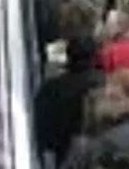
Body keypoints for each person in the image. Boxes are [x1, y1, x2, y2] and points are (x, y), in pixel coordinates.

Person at [34, 37, 104, 168]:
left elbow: (42, 125)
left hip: (62, 151)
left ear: (68, 56)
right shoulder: (104, 83)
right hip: (98, 149)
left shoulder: (52, 88)